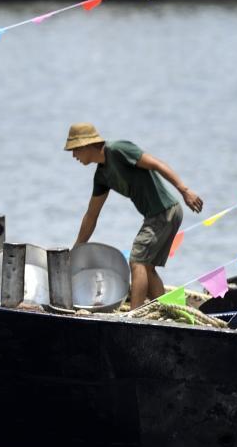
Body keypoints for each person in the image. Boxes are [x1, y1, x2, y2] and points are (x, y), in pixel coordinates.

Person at [65, 122, 203, 309]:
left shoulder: (118, 150)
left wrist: (184, 190)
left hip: (164, 211)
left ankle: (134, 317)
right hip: (158, 215)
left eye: (75, 150)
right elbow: (91, 216)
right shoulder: (102, 176)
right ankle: (169, 310)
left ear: (86, 145)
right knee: (147, 268)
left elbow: (157, 164)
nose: (74, 156)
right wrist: (77, 248)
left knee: (137, 260)